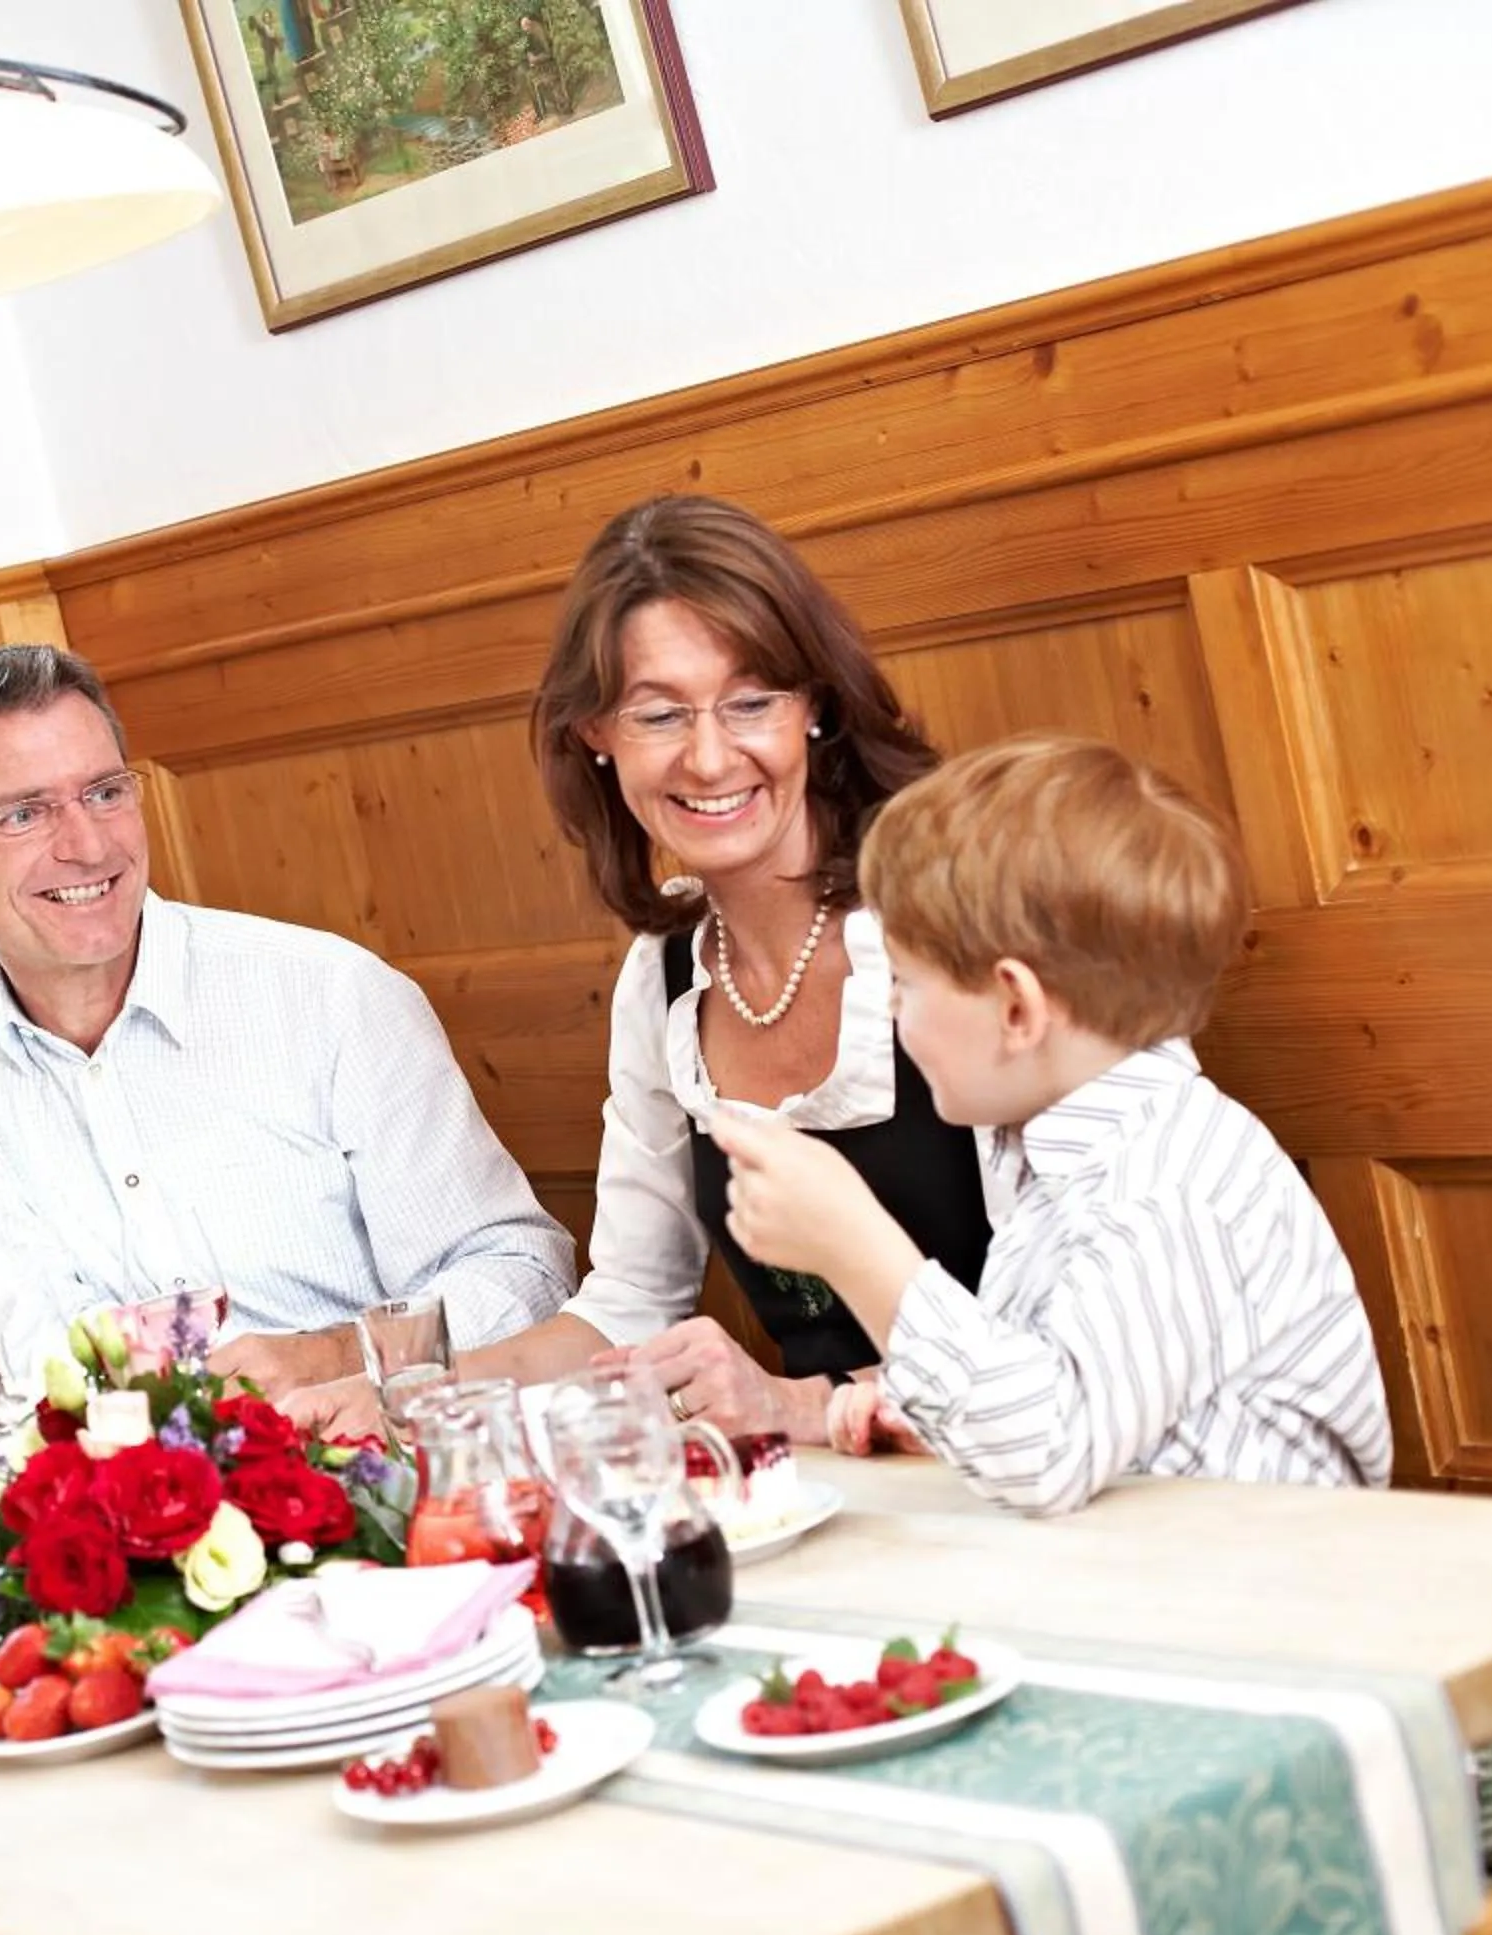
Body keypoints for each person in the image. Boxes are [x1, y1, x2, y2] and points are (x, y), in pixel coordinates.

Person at [305, 494, 999, 1444]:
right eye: (659, 713)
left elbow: (1063, 1333)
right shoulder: (666, 971)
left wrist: (803, 1405)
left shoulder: (951, 913)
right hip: (847, 1487)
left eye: (752, 702)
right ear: (596, 734)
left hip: (1032, 1461)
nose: (711, 757)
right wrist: (412, 1396)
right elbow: (629, 1301)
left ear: (816, 709)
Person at [713, 736, 1392, 1514]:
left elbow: (1047, 1452)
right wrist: (934, 1412)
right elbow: (1088, 1390)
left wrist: (857, 1245)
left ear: (1016, 1008)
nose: (893, 1009)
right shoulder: (1068, 1158)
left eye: (905, 982)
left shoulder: (1167, 1189)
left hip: (1261, 1603)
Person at [0, 642, 573, 1394]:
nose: (87, 845)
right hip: (136, 1475)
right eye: (24, 814)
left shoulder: (333, 993)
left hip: (393, 1448)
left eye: (105, 792)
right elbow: (18, 1335)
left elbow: (522, 1270)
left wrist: (336, 1355)